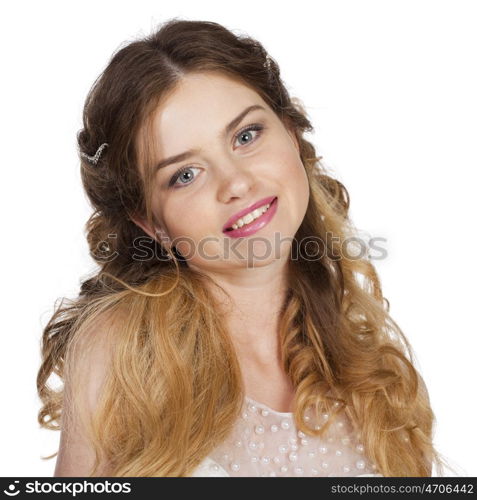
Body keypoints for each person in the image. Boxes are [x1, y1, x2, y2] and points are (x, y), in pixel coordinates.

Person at [36, 18, 450, 477]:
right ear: (152, 224)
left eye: (246, 136)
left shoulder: (376, 375)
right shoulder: (124, 355)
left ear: (291, 134)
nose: (236, 183)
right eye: (185, 175)